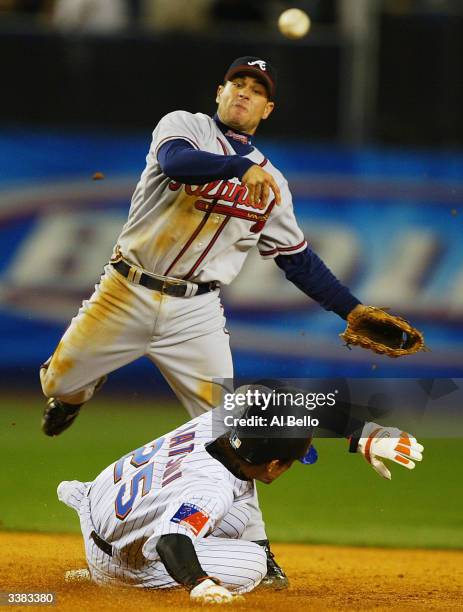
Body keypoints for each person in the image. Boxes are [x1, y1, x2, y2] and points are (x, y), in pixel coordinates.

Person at [40, 56, 368, 586]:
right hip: (126, 289)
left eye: (256, 89)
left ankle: (258, 548)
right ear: (219, 92)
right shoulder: (183, 127)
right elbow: (176, 165)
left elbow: (297, 259)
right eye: (236, 83)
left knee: (238, 427)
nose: (244, 92)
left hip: (196, 312)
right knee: (59, 379)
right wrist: (240, 168)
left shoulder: (273, 184)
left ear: (268, 108)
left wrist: (350, 309)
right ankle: (75, 394)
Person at [57, 385, 424, 603]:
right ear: (273, 465)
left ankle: (105, 567)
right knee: (252, 562)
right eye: (292, 462)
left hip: (100, 505)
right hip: (124, 563)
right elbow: (171, 541)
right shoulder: (213, 488)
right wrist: (199, 585)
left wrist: (363, 434)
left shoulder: (222, 422)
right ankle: (121, 583)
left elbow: (286, 402)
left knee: (237, 505)